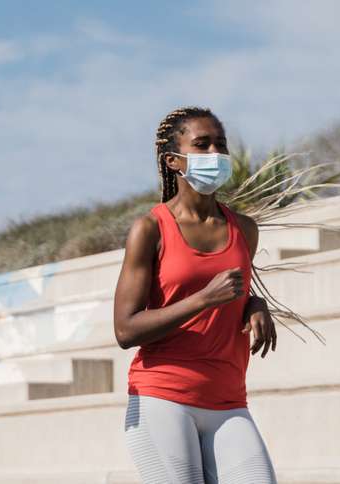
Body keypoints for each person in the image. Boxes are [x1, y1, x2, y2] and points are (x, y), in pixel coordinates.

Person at [114, 107, 278, 483]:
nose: (214, 155)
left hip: (229, 400)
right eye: (201, 145)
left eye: (220, 145)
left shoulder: (244, 229)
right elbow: (125, 330)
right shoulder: (150, 229)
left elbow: (234, 295)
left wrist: (255, 304)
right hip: (163, 398)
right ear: (173, 160)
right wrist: (202, 299)